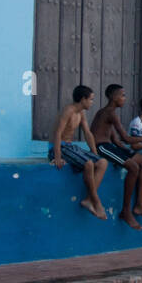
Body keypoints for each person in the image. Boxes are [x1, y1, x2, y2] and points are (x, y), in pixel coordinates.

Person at [91, 84, 142, 229]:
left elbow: (116, 140)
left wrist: (127, 152)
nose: (125, 98)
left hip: (110, 146)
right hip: (101, 148)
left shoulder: (111, 113)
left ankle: (139, 204)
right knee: (133, 167)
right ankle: (126, 211)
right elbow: (126, 138)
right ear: (114, 97)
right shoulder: (109, 112)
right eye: (123, 95)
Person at [47, 85, 109, 220]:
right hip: (60, 148)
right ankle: (96, 201)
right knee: (88, 164)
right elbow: (57, 133)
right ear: (83, 99)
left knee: (102, 162)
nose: (92, 102)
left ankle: (88, 199)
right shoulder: (68, 110)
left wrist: (94, 152)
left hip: (71, 147)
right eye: (91, 99)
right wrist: (57, 157)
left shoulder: (81, 112)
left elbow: (87, 133)